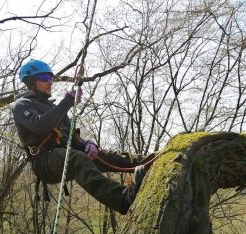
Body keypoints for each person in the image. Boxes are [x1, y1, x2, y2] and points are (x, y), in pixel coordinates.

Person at [12, 59, 151, 215]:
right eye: (45, 78)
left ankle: (150, 162)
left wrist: (88, 144)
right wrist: (66, 102)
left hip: (66, 152)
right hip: (44, 160)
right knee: (76, 158)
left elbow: (71, 137)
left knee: (104, 156)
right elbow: (40, 126)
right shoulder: (22, 105)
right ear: (31, 81)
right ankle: (122, 199)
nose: (50, 82)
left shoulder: (53, 108)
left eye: (51, 78)